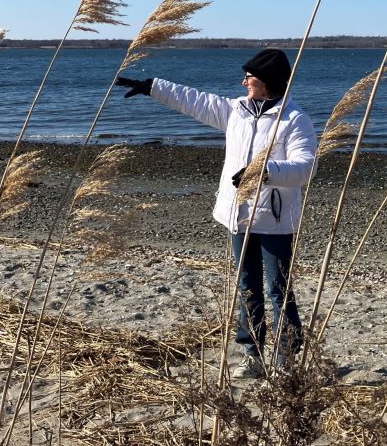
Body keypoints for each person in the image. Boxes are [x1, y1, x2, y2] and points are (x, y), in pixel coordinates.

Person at [115, 48, 317, 379]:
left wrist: (265, 172)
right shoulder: (236, 110)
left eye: (249, 78)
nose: (244, 82)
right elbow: (195, 100)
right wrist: (152, 86)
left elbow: (305, 166)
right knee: (247, 286)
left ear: (267, 82)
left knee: (278, 290)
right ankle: (252, 354)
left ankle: (286, 360)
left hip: (274, 220)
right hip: (238, 216)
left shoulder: (294, 120)